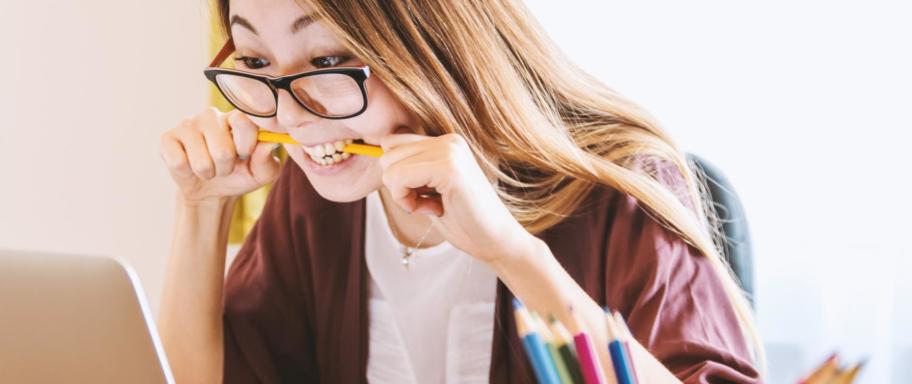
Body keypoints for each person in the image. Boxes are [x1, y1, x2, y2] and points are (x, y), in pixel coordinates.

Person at [157, 0, 763, 382]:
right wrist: (202, 208)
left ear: (431, 43)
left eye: (328, 58)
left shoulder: (616, 189)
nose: (291, 116)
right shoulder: (320, 193)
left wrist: (512, 253)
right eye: (259, 63)